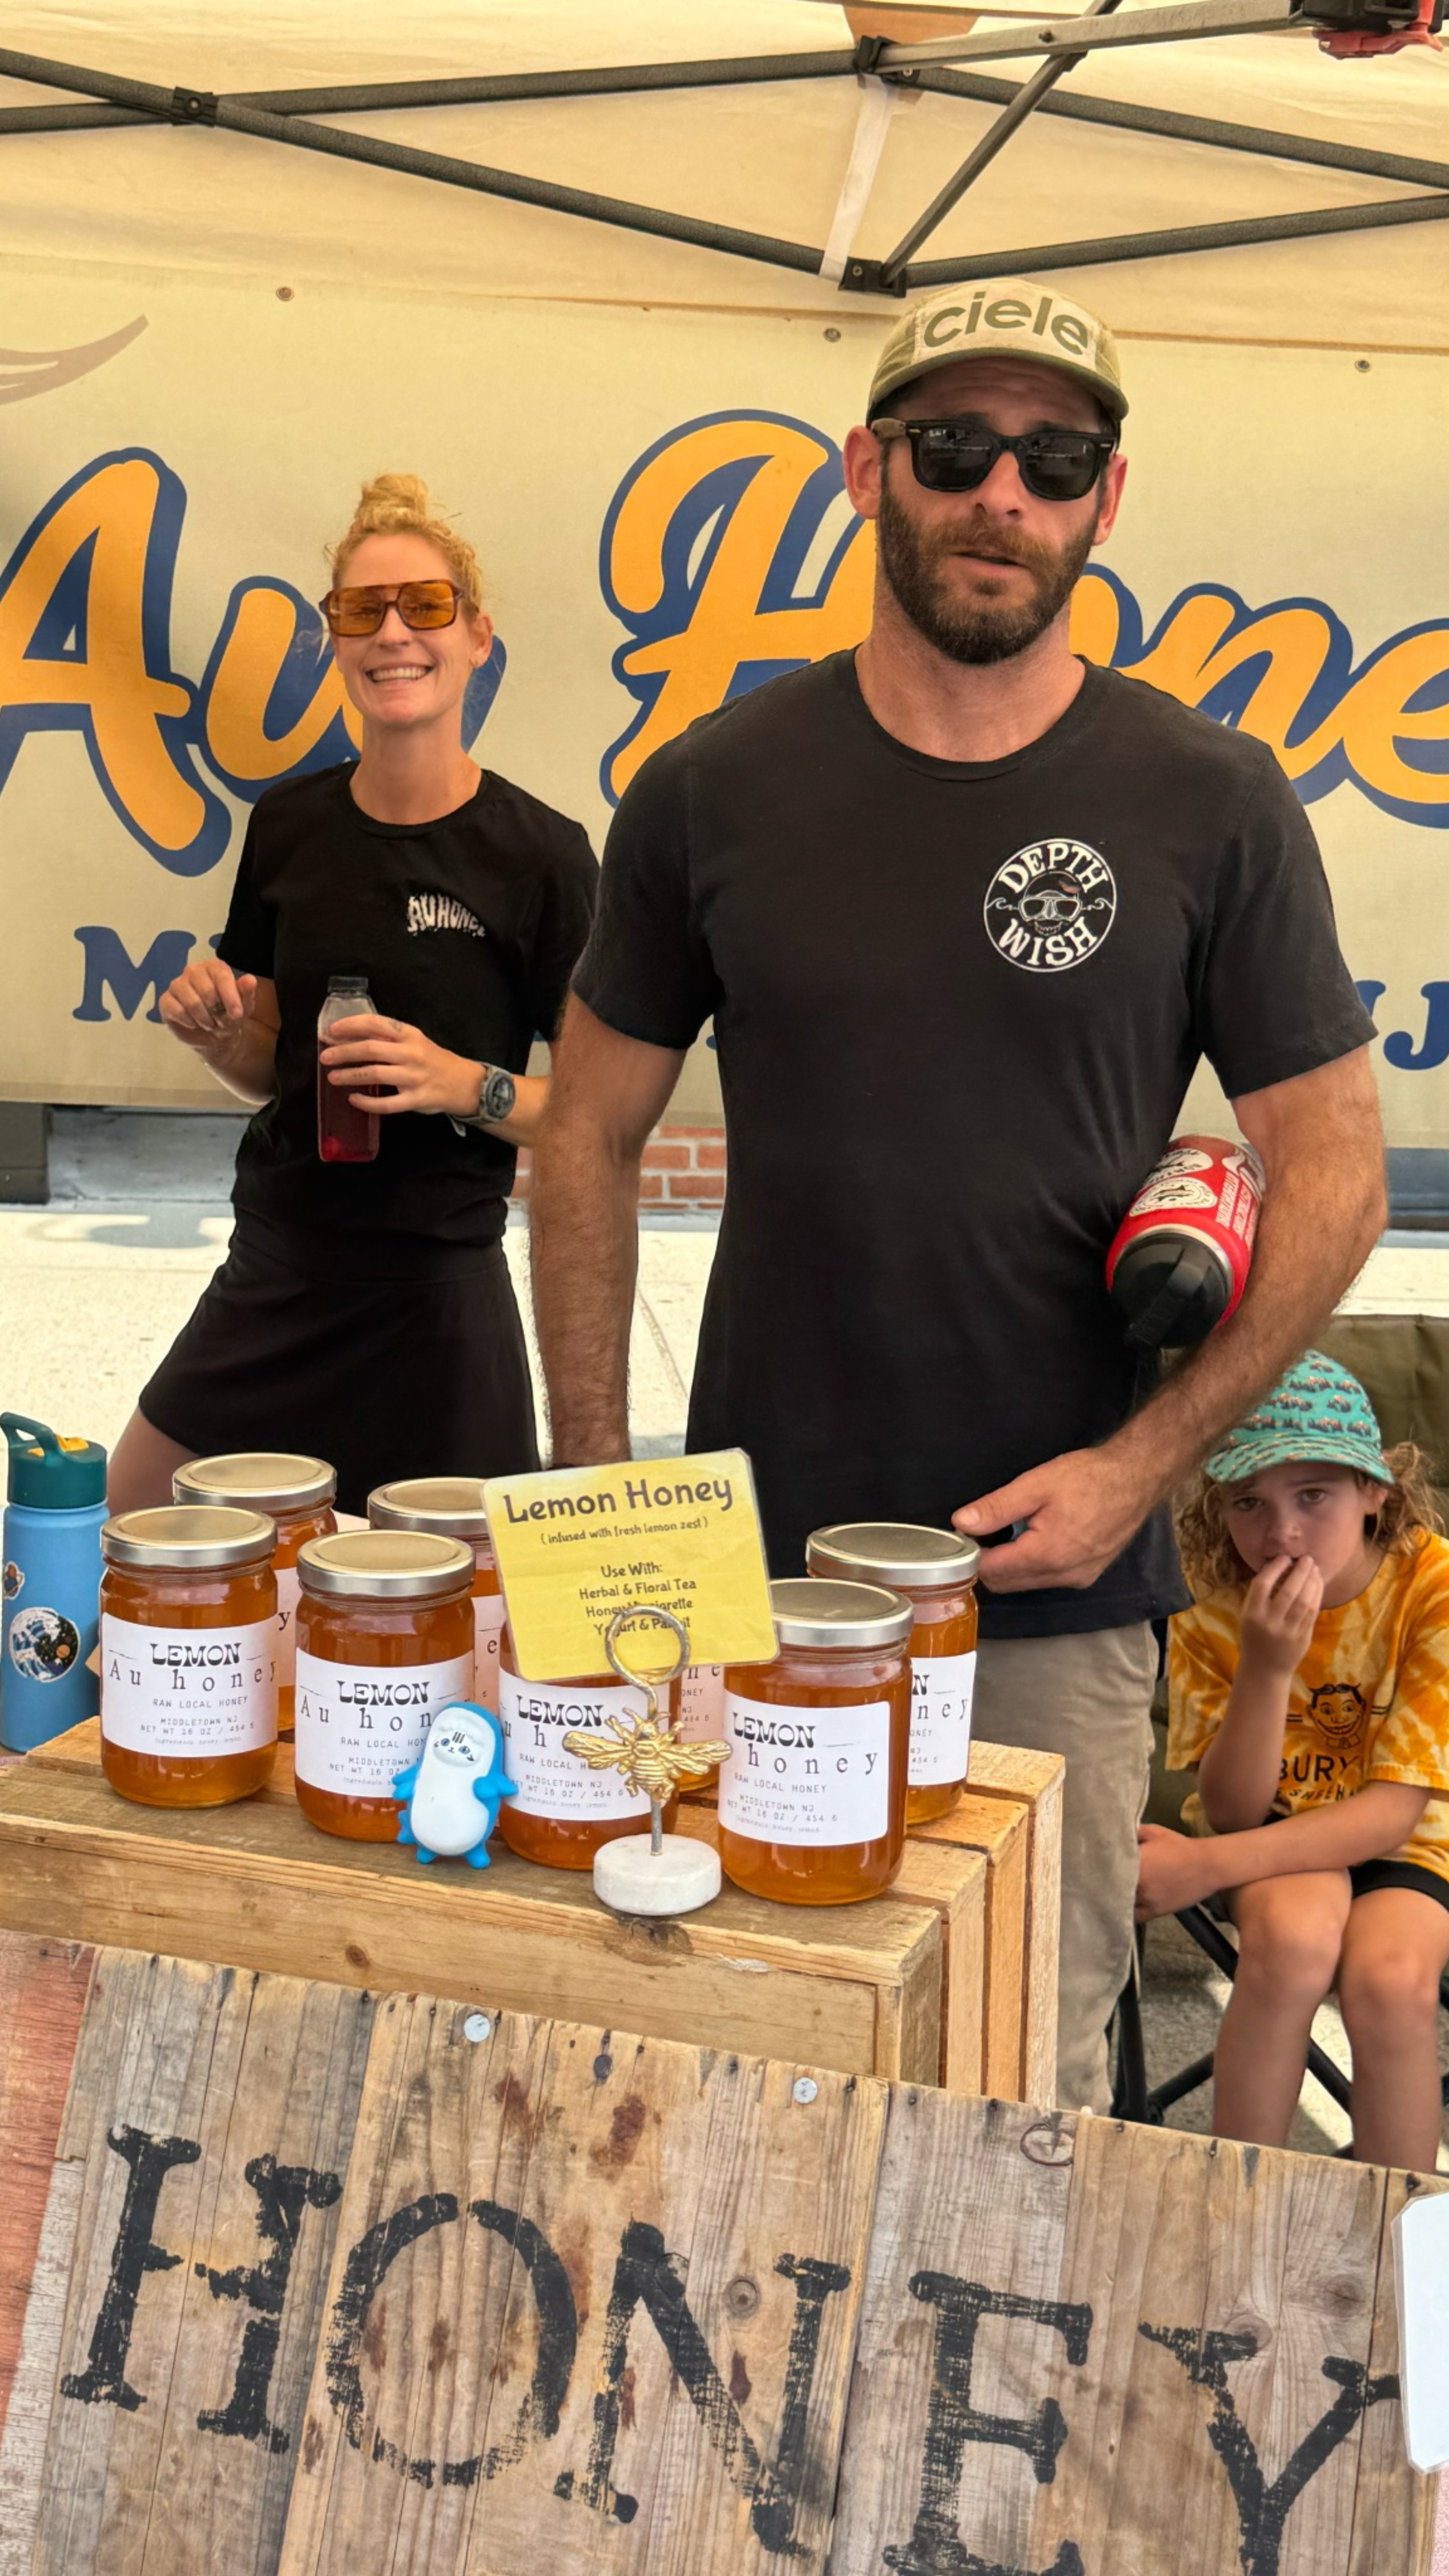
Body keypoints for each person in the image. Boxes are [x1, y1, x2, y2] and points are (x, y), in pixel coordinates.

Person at [528, 277, 1386, 2112]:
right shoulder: (712, 790)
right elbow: (582, 1131)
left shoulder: (1210, 799)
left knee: (1020, 2089)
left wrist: (1144, 1469)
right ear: (869, 471)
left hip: (1055, 1598)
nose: (1004, 490)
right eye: (955, 446)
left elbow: (1338, 1173)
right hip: (760, 1574)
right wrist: (604, 1499)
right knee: (750, 2047)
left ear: (1105, 500)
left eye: (1055, 460)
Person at [108, 473, 597, 1517]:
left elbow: (594, 1118)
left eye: (425, 606)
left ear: (478, 638)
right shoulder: (288, 826)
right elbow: (270, 1070)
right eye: (361, 611)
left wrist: (460, 1082)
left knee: (463, 1590)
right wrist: (220, 1038)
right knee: (136, 1513)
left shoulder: (543, 857)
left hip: (439, 1291)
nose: (393, 634)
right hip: (281, 1269)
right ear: (334, 641)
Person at [1140, 1353, 1449, 2169]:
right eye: (1249, 1502)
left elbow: (1393, 1816)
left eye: (1313, 1495)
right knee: (1293, 1942)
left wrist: (1202, 1867)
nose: (1281, 1533)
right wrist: (1267, 1666)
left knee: (1392, 1982)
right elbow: (1235, 1809)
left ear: (1374, 1491)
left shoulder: (1435, 1589)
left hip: (1412, 1839)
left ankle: (1397, 2228)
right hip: (1273, 1830)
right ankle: (1241, 2206)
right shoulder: (1211, 1598)